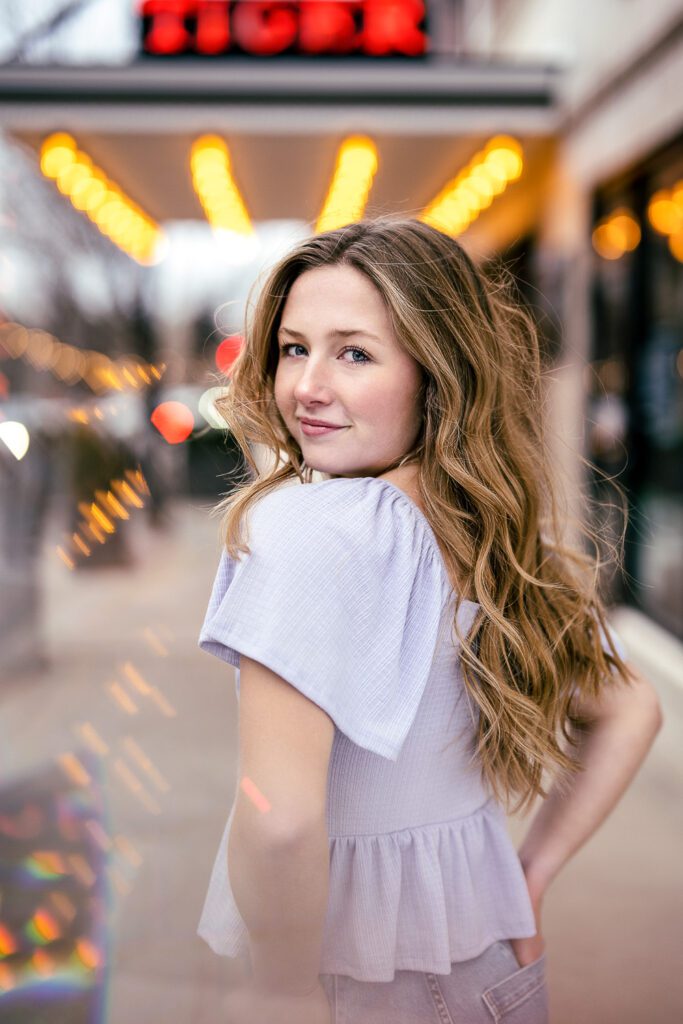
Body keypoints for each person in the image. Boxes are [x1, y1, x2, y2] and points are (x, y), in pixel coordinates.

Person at [196, 218, 663, 1024]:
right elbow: (630, 709)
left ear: (434, 372)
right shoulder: (495, 536)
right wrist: (527, 878)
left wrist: (278, 991)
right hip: (489, 975)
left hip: (349, 986)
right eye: (294, 347)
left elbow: (279, 825)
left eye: (354, 353)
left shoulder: (305, 530)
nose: (307, 384)